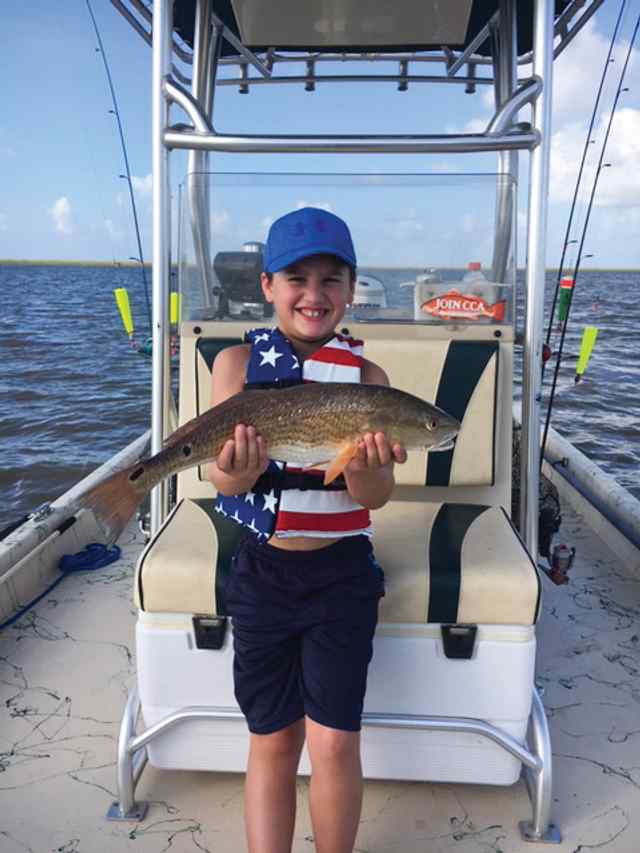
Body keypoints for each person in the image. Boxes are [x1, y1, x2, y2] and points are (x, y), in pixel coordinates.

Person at [208, 207, 407, 853]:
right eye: (297, 277)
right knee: (271, 738)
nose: (314, 294)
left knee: (334, 739)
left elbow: (372, 497)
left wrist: (370, 465)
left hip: (340, 577)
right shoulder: (237, 365)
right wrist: (236, 468)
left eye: (331, 279)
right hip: (262, 570)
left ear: (352, 290)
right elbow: (225, 483)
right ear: (267, 285)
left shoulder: (370, 382)